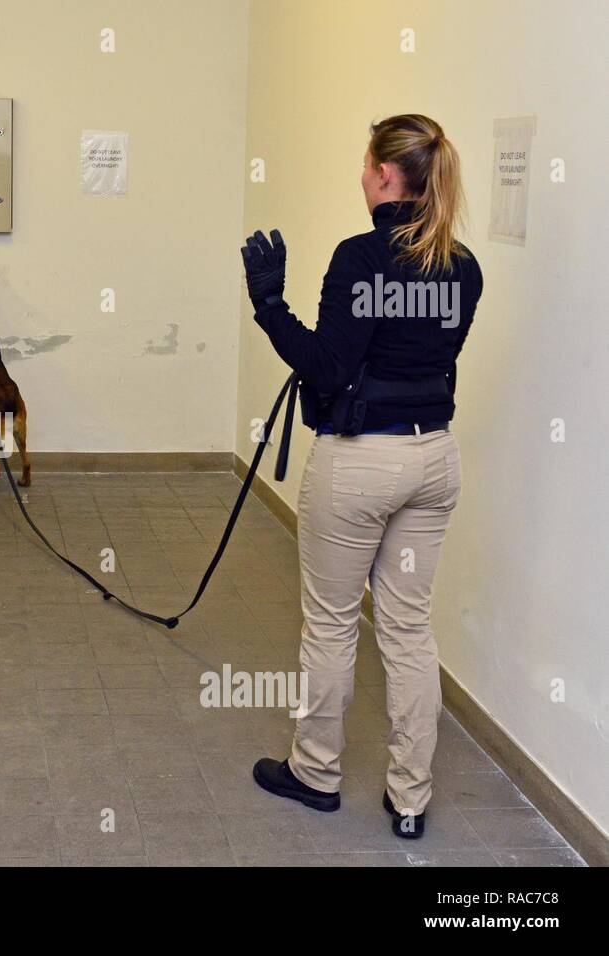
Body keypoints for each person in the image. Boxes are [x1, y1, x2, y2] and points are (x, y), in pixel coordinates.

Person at [240, 114, 483, 839]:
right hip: (432, 460)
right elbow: (429, 358)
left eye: (363, 165)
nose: (360, 176)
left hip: (361, 465)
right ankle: (410, 799)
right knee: (408, 630)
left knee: (332, 623)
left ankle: (315, 772)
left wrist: (269, 306)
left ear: (383, 174)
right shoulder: (463, 266)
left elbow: (326, 367)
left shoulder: (359, 257)